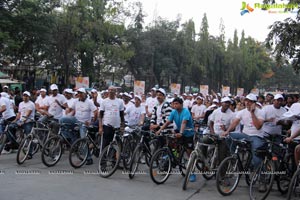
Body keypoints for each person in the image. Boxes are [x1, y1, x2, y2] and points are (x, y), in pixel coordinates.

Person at [221, 93, 265, 171]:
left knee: (257, 157)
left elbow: (258, 127)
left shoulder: (261, 112)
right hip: (245, 135)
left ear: (254, 103)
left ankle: (261, 173)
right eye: (246, 101)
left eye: (250, 101)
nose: (247, 103)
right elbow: (234, 122)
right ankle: (234, 156)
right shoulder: (242, 112)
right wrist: (227, 131)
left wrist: (252, 113)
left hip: (256, 136)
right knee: (228, 137)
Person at [156, 97, 195, 181]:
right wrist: (159, 130)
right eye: (173, 104)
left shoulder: (186, 111)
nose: (174, 105)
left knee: (189, 153)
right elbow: (167, 122)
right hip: (179, 131)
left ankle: (192, 172)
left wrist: (181, 133)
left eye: (176, 103)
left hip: (188, 133)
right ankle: (174, 157)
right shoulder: (173, 112)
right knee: (171, 142)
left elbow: (184, 122)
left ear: (181, 104)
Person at [6, 91, 35, 157]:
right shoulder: (21, 104)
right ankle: (13, 142)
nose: (25, 97)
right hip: (20, 120)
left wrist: (22, 122)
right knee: (10, 127)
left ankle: (30, 153)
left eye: (26, 96)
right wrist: (15, 120)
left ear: (29, 97)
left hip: (28, 122)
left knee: (28, 136)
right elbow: (19, 114)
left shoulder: (31, 104)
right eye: (24, 96)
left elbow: (27, 114)